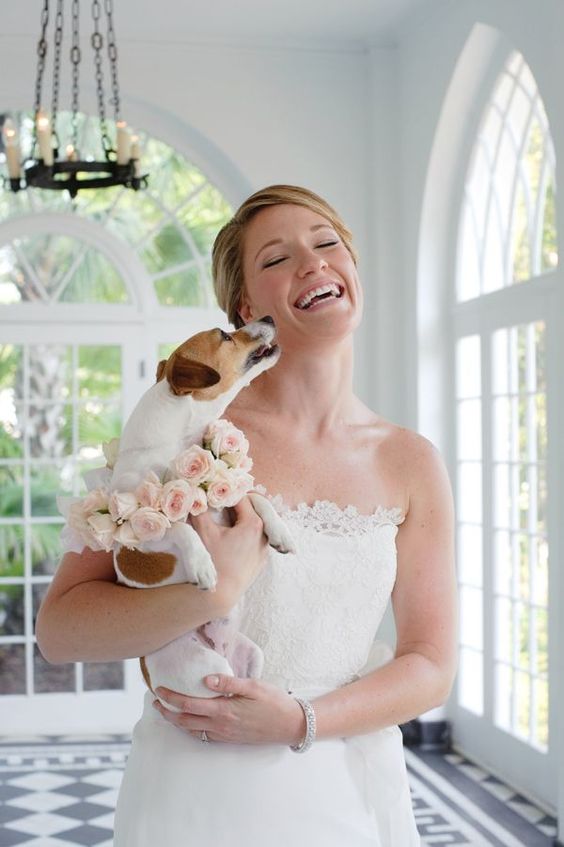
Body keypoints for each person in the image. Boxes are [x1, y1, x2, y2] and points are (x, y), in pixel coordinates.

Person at [36, 184, 457, 846]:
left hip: (344, 791)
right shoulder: (186, 433)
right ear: (244, 306)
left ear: (352, 269)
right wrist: (217, 592)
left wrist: (301, 720)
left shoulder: (412, 462)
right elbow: (60, 632)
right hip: (193, 798)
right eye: (277, 258)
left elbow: (431, 662)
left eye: (326, 243)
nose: (313, 262)